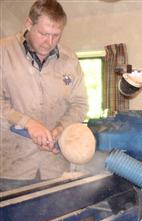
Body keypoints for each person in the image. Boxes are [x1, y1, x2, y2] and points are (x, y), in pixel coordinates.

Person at [0, 0, 88, 191]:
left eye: (56, 35)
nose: (49, 42)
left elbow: (80, 104)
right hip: (12, 168)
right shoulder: (3, 52)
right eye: (43, 34)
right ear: (29, 24)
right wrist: (28, 123)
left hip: (55, 167)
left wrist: (59, 130)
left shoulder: (69, 59)